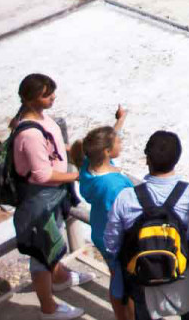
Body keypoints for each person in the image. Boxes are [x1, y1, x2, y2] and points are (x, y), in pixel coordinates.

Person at [11, 73, 95, 320]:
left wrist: (71, 151)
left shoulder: (34, 118)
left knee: (53, 240)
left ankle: (60, 278)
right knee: (41, 252)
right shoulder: (29, 134)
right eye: (47, 94)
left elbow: (51, 148)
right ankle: (48, 308)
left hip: (50, 196)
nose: (53, 97)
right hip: (40, 199)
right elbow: (40, 174)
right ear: (32, 98)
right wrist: (76, 176)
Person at [103, 131, 189, 320]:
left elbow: (111, 244)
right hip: (186, 278)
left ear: (147, 159)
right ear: (177, 158)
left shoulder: (126, 198)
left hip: (144, 280)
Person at [68, 107, 133, 320]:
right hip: (117, 239)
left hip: (100, 231)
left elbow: (108, 140)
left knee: (116, 277)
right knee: (126, 284)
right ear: (107, 151)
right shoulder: (112, 186)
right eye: (118, 143)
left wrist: (120, 121)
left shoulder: (89, 166)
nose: (120, 143)